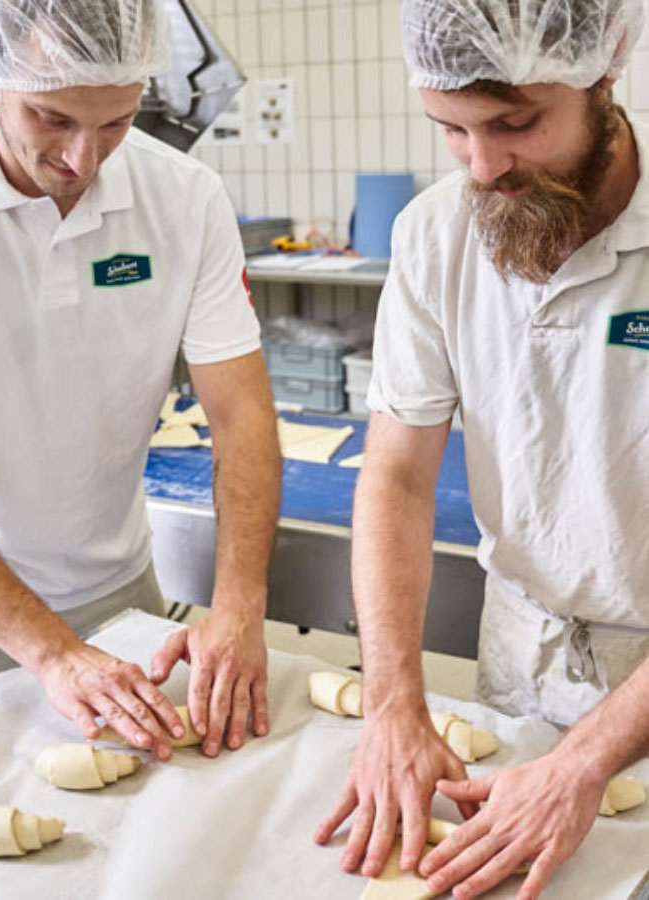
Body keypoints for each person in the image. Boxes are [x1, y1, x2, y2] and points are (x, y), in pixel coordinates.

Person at [315, 1, 649, 897]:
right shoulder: (436, 234)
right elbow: (395, 474)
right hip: (522, 647)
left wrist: (583, 767)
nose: (483, 166)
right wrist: (392, 700)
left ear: (602, 75)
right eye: (450, 131)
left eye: (515, 123)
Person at [0, 0, 281, 764]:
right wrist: (52, 654)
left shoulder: (184, 199)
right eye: (53, 118)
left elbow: (242, 413)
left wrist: (239, 604)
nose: (84, 160)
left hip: (121, 594)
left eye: (118, 122)